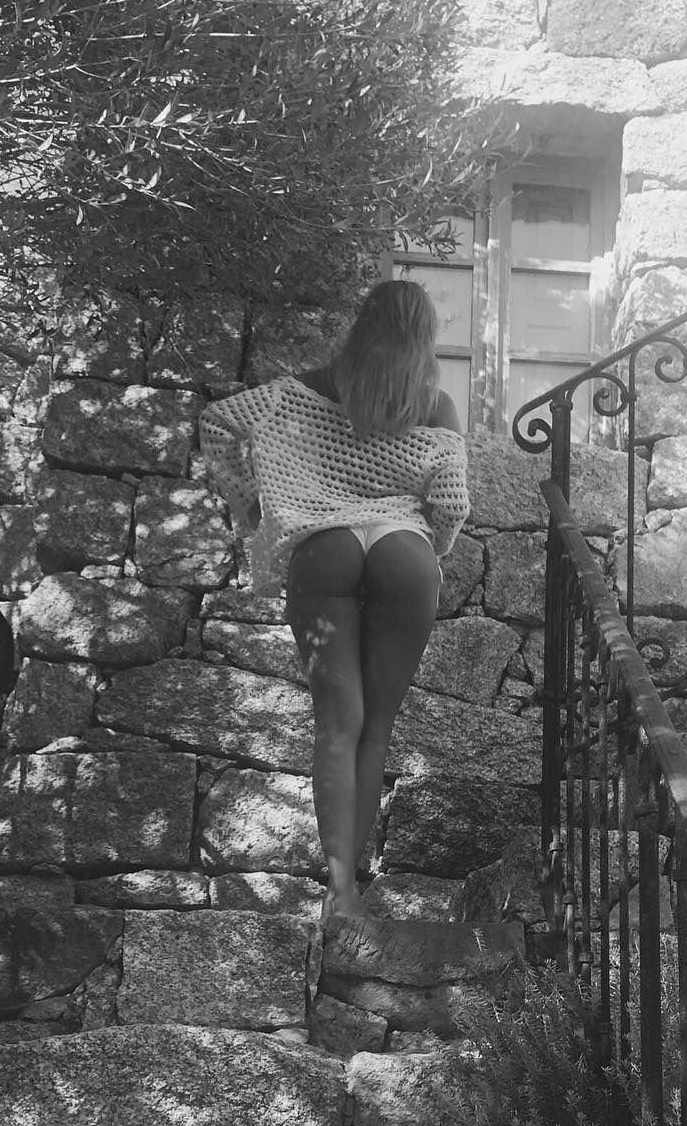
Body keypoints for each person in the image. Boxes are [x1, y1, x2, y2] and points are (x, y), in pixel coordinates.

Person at [199, 279, 470, 921]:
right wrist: (431, 547)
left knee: (337, 725)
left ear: (362, 327)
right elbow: (452, 503)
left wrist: (256, 509)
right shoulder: (435, 404)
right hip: (404, 550)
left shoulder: (305, 389)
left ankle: (340, 892)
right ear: (424, 337)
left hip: (324, 547)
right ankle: (355, 895)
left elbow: (218, 423)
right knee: (376, 729)